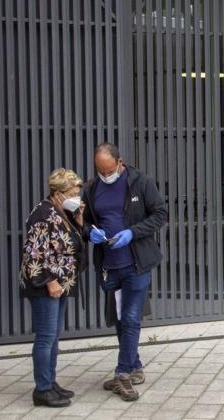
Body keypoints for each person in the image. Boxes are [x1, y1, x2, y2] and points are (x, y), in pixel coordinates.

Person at [82, 143, 167, 402]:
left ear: (120, 163)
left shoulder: (141, 182)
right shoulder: (92, 188)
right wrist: (90, 233)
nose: (105, 175)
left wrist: (132, 232)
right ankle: (135, 365)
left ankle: (122, 373)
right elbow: (82, 222)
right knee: (120, 319)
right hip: (109, 266)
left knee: (130, 317)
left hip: (136, 263)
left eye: (109, 170)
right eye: (100, 170)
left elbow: (161, 214)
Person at [20, 169, 87, 408]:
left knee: (54, 336)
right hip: (45, 285)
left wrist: (79, 221)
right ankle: (42, 389)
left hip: (60, 284)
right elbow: (33, 253)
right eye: (72, 193)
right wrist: (50, 280)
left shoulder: (64, 212)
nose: (77, 198)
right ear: (58, 193)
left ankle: (50, 381)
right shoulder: (42, 214)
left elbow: (73, 244)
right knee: (46, 337)